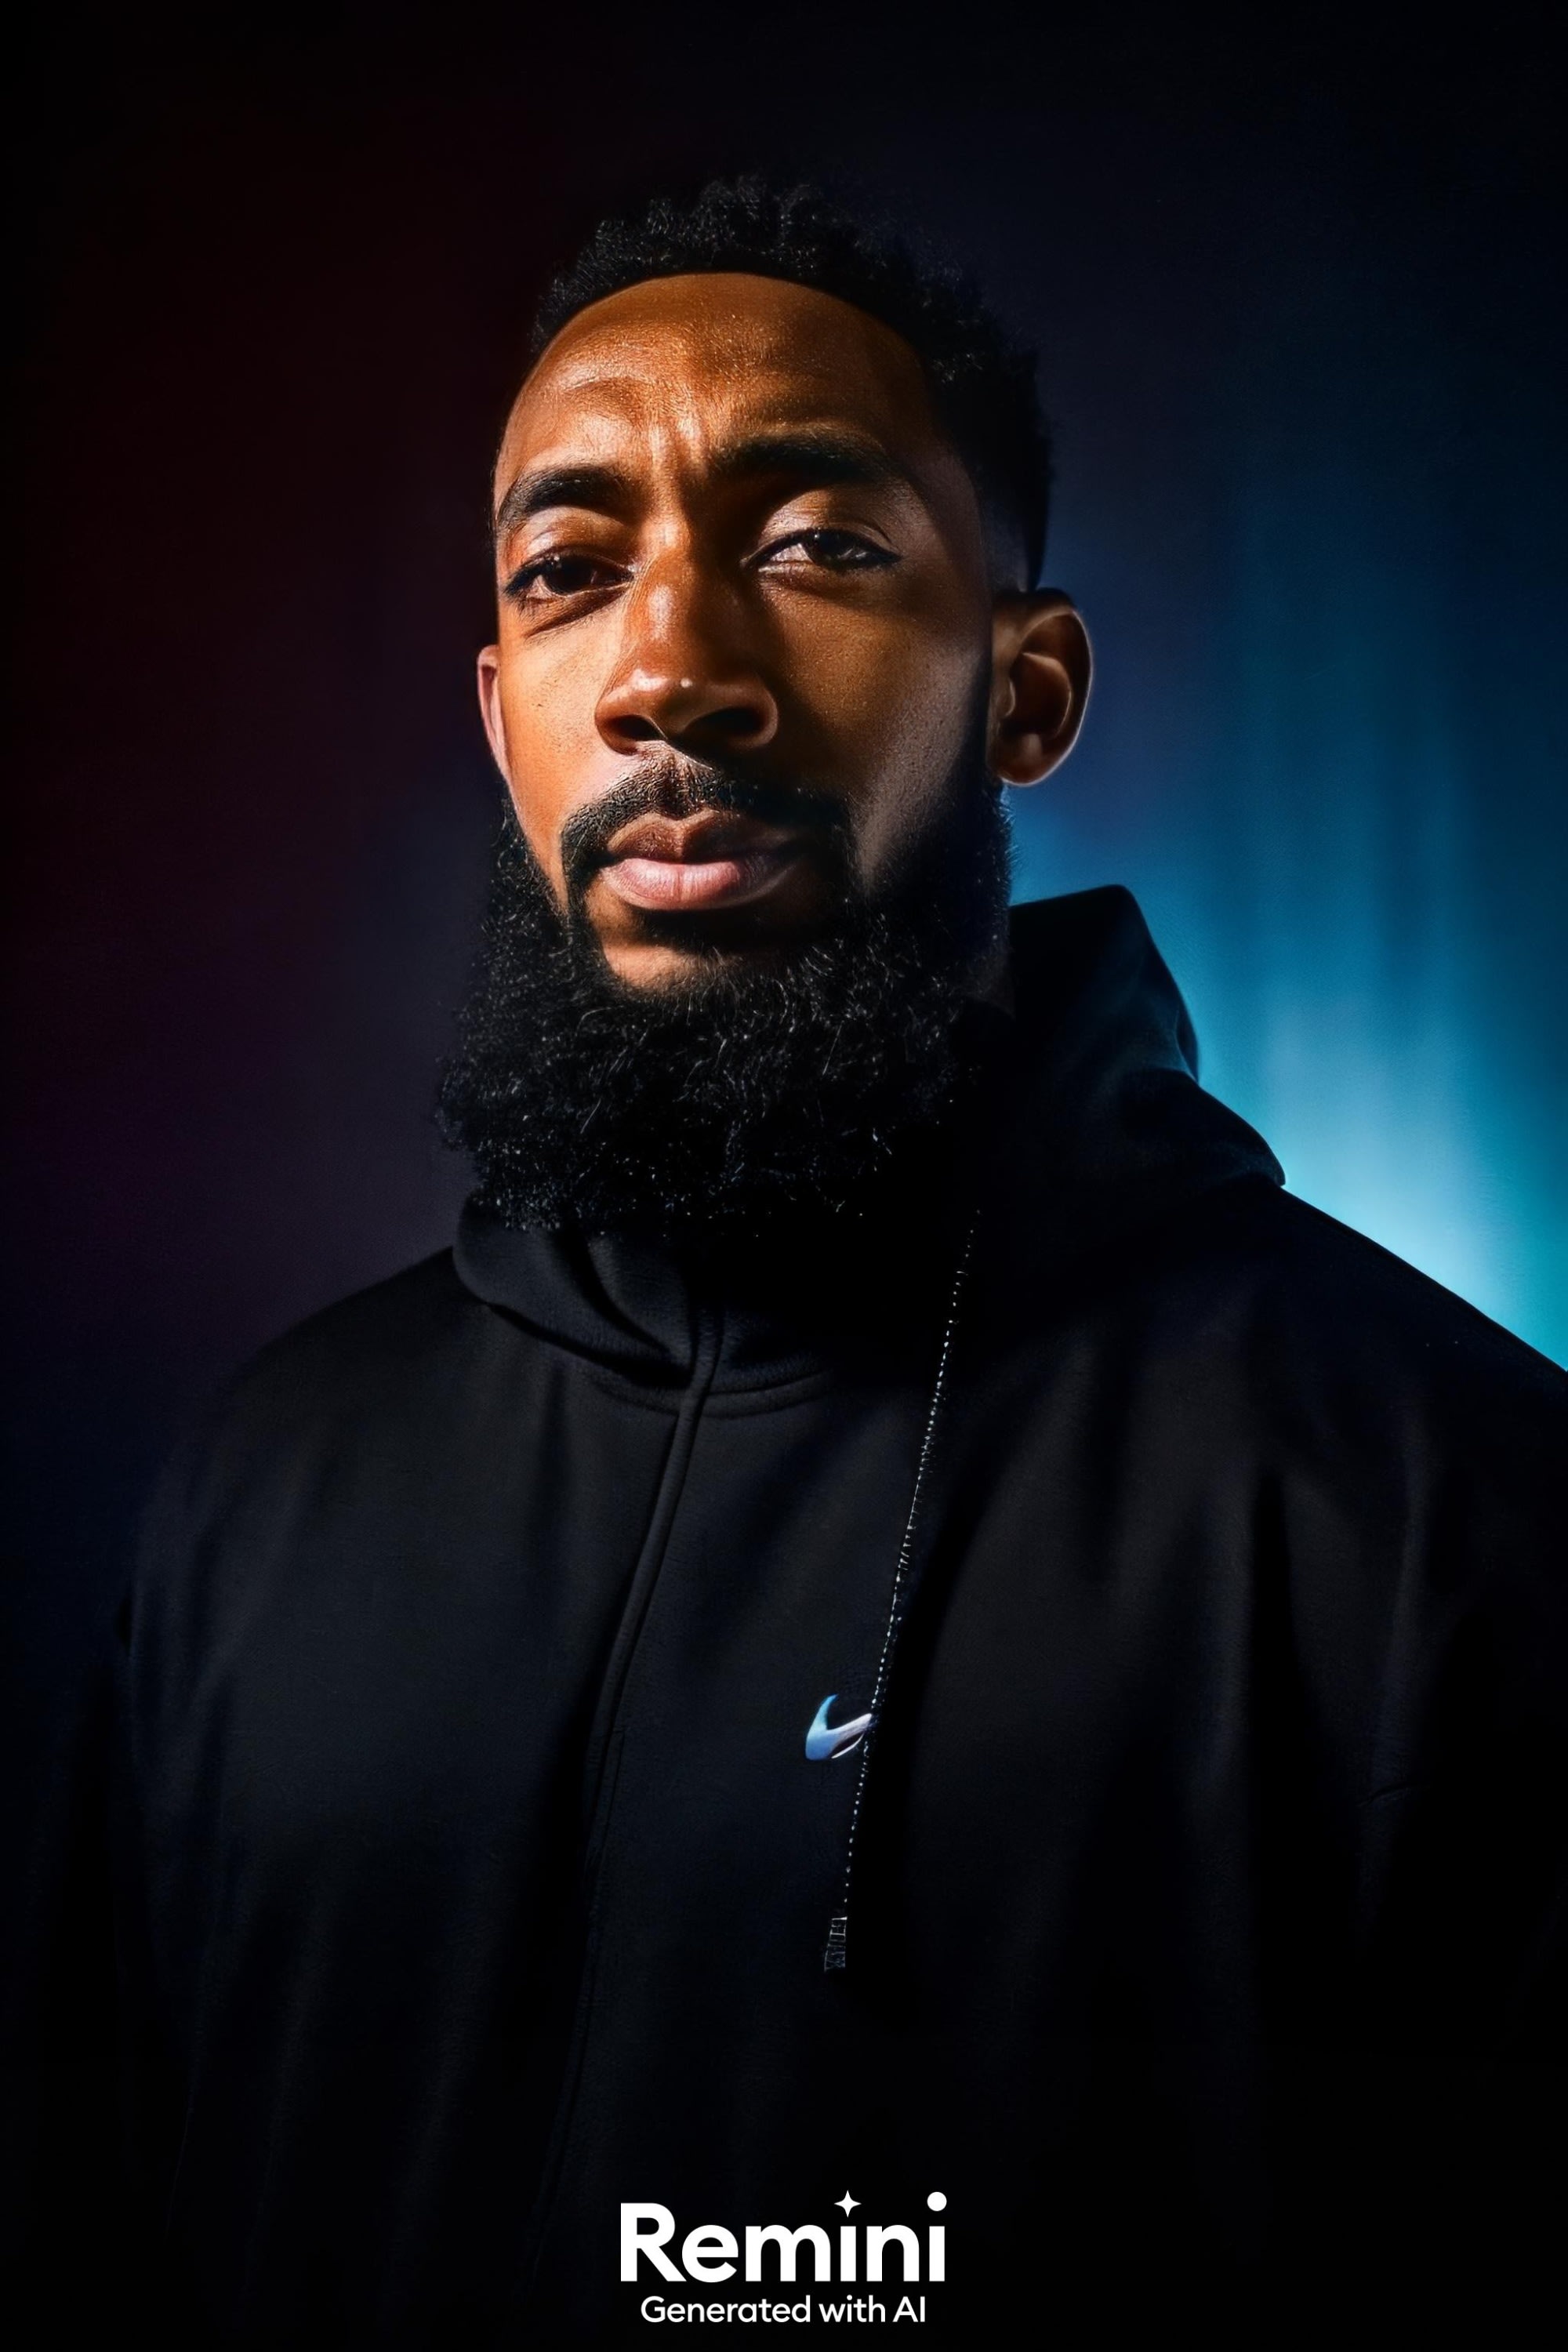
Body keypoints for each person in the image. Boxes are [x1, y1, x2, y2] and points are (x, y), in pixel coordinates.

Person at [24, 178, 1566, 2346]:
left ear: (1027, 692)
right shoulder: (268, 1487)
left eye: (819, 546)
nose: (672, 672)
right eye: (571, 574)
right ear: (500, 711)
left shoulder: (1441, 1516)